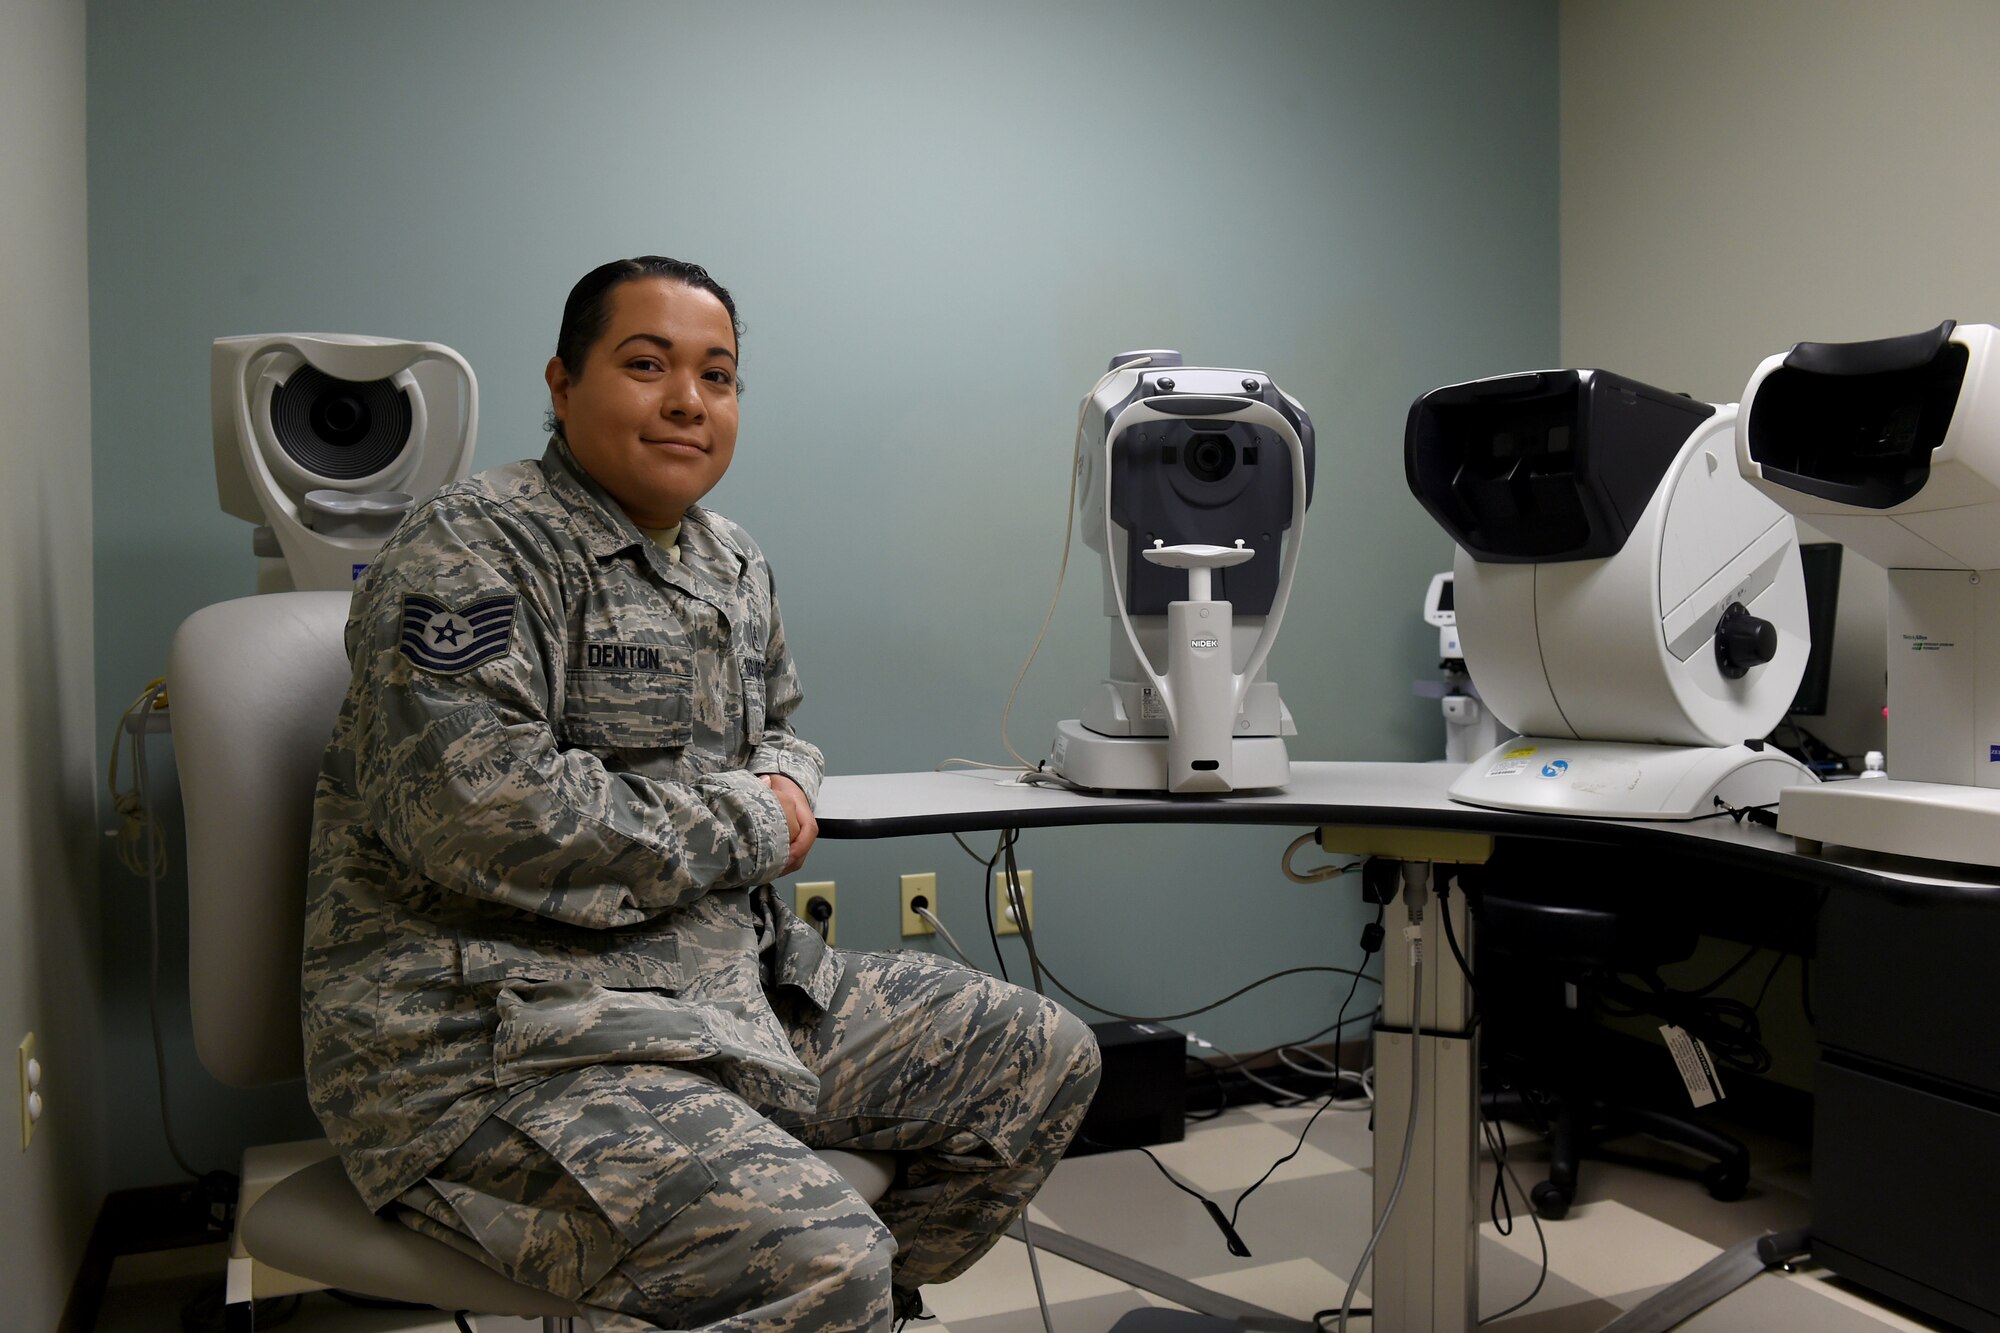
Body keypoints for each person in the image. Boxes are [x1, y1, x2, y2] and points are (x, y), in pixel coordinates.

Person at [301, 256, 1101, 1332]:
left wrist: (784, 779)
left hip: (720, 1001)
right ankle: (827, 1297)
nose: (688, 399)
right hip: (500, 1042)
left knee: (1037, 1056)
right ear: (561, 383)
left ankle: (843, 1310)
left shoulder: (731, 562)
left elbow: (779, 733)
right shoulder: (473, 546)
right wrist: (754, 816)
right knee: (820, 1257)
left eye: (717, 376)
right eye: (646, 364)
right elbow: (484, 814)